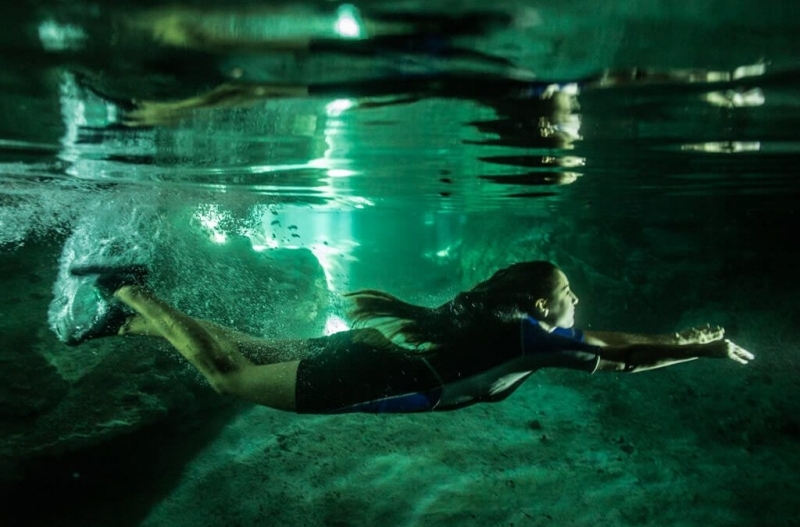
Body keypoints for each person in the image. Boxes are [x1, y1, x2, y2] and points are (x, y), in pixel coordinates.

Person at [67, 261, 754, 414]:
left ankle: (127, 320)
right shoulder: (533, 339)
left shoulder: (519, 329)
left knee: (250, 344)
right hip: (367, 377)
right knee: (232, 376)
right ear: (544, 305)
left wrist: (680, 337)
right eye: (569, 291)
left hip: (369, 359)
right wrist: (698, 350)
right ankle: (130, 289)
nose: (578, 299)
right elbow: (622, 359)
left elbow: (609, 338)